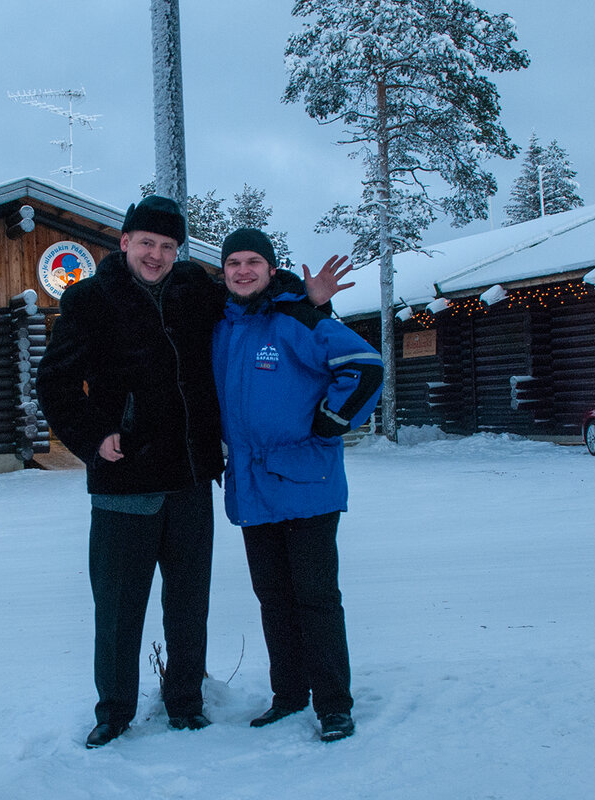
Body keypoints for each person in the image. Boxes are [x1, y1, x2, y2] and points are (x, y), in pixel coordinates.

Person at [37, 197, 350, 750]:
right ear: (125, 242)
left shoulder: (194, 291)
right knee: (117, 608)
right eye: (147, 243)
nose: (156, 255)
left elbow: (253, 294)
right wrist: (91, 438)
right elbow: (56, 384)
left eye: (167, 246)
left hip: (189, 478)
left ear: (177, 250)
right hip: (123, 480)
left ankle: (184, 702)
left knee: (188, 603)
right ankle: (114, 711)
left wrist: (309, 299)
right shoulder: (87, 300)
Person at [211, 228, 383, 743]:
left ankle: (334, 705)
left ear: (270, 268)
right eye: (233, 262)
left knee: (315, 598)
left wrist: (333, 420)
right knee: (274, 599)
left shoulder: (298, 318)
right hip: (253, 486)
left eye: (253, 262)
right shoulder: (223, 326)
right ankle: (288, 695)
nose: (242, 270)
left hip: (307, 481)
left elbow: (365, 368)